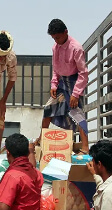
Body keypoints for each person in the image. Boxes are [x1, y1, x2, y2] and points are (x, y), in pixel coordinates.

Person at [38, 19, 90, 154]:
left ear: (66, 32)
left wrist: (76, 94)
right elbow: (56, 68)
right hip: (61, 83)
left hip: (74, 82)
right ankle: (41, 138)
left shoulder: (76, 48)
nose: (56, 40)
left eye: (58, 37)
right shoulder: (55, 47)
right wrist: (54, 84)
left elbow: (83, 72)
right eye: (53, 38)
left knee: (76, 113)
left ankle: (85, 147)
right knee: (49, 108)